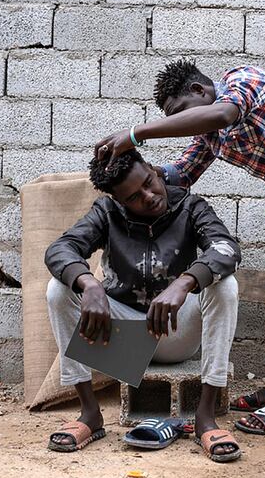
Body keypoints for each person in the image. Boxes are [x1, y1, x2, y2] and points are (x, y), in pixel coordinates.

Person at [95, 60, 265, 435]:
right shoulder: (212, 134)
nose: (183, 124)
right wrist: (132, 175)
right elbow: (180, 175)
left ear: (201, 91)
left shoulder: (242, 81)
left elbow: (221, 114)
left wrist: (137, 134)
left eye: (181, 114)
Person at [44, 148, 242, 461]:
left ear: (152, 169)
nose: (149, 196)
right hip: (125, 342)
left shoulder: (190, 206)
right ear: (119, 201)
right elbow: (60, 249)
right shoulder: (106, 212)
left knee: (225, 285)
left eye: (149, 182)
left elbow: (226, 248)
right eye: (134, 197)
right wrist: (89, 282)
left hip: (179, 336)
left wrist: (184, 282)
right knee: (58, 289)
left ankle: (205, 418)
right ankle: (90, 416)